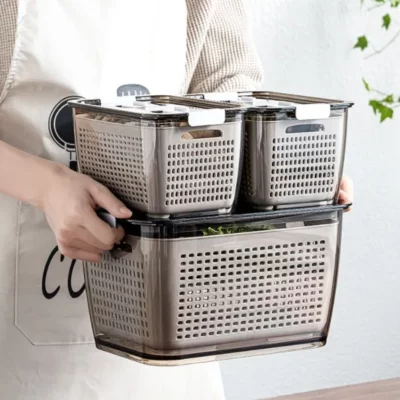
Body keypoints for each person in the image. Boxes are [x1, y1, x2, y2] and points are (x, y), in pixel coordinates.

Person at [0, 1, 354, 399]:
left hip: (177, 322)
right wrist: (46, 187)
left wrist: (287, 170)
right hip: (20, 316)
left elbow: (227, 86)